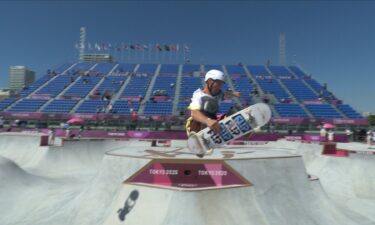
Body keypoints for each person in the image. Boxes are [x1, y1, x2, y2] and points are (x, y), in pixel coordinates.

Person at [185, 69, 240, 136]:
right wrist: (207, 121)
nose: (219, 87)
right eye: (218, 84)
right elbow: (194, 113)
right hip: (195, 126)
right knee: (208, 104)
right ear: (210, 81)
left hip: (212, 121)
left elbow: (224, 93)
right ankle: (199, 136)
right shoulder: (198, 95)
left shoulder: (219, 93)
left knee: (235, 111)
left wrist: (234, 94)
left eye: (221, 84)